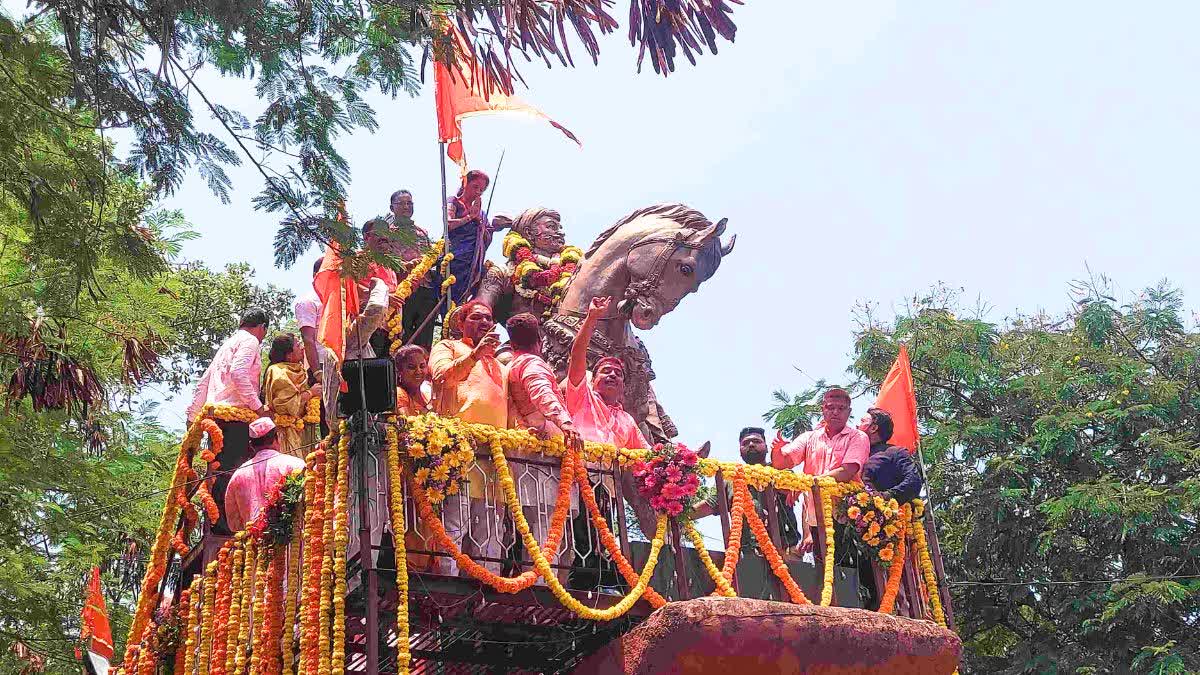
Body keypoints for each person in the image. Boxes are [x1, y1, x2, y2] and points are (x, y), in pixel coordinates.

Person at [504, 312, 583, 582]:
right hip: (542, 457)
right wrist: (566, 423)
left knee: (544, 528)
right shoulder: (533, 363)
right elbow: (542, 394)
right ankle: (544, 587)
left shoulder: (513, 363)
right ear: (539, 341)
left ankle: (546, 584)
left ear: (511, 343)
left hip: (530, 455)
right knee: (547, 528)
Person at [429, 299, 506, 573]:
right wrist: (474, 355)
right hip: (458, 454)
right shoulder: (447, 347)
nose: (485, 323)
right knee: (454, 526)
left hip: (494, 460)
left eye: (488, 319)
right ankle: (448, 590)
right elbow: (441, 377)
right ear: (460, 323)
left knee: (490, 534)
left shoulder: (500, 365)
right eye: (476, 318)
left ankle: (489, 591)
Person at [186, 308, 270, 535]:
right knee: (234, 470)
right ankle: (229, 525)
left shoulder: (226, 345)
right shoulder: (251, 341)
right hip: (235, 417)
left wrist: (192, 417)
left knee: (219, 468)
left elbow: (203, 382)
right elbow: (239, 373)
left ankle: (218, 523)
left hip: (217, 419)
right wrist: (259, 408)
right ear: (262, 327)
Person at [771, 388, 869, 554]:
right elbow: (784, 462)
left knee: (849, 572)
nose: (835, 412)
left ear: (849, 412)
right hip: (816, 518)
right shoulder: (809, 437)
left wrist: (807, 484)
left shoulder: (858, 437)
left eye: (841, 408)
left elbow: (847, 471)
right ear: (822, 409)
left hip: (848, 516)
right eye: (830, 408)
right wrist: (777, 452)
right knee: (822, 571)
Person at [694, 427, 803, 555]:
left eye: (756, 441)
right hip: (747, 554)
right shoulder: (729, 479)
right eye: (745, 443)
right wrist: (679, 514)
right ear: (740, 452)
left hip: (785, 552)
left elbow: (789, 489)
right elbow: (709, 505)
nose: (751, 445)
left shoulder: (781, 472)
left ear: (767, 448)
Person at [223, 417, 306, 534]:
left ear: (251, 445)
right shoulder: (295, 465)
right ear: (277, 438)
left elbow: (233, 524)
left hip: (253, 546)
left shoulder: (237, 475)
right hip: (293, 547)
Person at [443, 170, 508, 312]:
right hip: (455, 258)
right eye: (475, 187)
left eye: (482, 190)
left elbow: (486, 238)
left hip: (472, 264)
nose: (478, 192)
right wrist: (469, 218)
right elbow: (448, 224)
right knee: (447, 294)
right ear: (465, 184)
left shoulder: (481, 214)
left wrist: (491, 227)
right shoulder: (453, 201)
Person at [387, 190, 437, 349]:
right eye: (401, 203)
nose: (406, 207)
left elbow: (431, 258)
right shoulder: (387, 233)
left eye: (409, 203)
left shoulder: (422, 232)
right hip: (403, 291)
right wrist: (407, 265)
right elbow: (386, 262)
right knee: (403, 335)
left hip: (426, 289)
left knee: (425, 335)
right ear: (392, 207)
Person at [263, 333, 322, 458]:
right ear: (289, 355)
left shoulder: (300, 369)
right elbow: (285, 405)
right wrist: (311, 393)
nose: (302, 348)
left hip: (304, 430)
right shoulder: (278, 371)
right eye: (298, 345)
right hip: (286, 433)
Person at [859, 408, 924, 503]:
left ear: (873, 428)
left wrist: (886, 496)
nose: (857, 425)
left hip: (887, 514)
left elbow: (913, 481)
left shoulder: (894, 452)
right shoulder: (852, 453)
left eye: (862, 422)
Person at [393, 344, 431, 417]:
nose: (418, 371)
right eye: (411, 367)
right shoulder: (399, 393)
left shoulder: (426, 391)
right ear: (400, 371)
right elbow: (409, 424)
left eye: (422, 366)